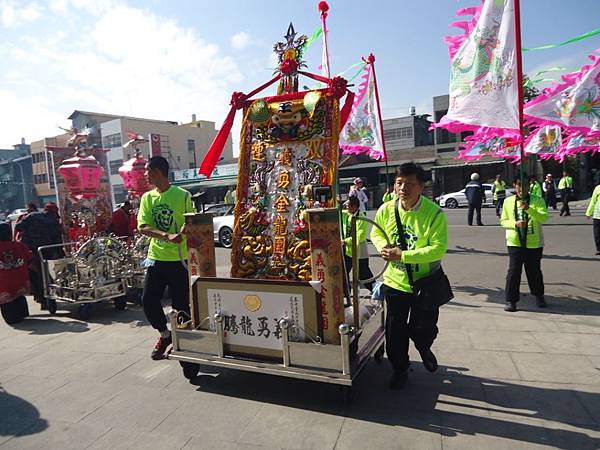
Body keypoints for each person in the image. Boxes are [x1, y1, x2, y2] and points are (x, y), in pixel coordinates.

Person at [371, 163, 448, 389]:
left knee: (423, 328)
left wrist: (402, 255)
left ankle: (423, 346)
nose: (403, 187)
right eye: (399, 183)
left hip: (426, 283)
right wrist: (382, 247)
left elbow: (437, 249)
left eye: (410, 183)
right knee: (395, 332)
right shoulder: (386, 209)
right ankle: (400, 369)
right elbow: (375, 232)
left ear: (421, 186)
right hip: (395, 283)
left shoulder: (434, 213)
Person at [138, 156, 195, 360]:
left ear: (158, 172)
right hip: (156, 258)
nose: (145, 174)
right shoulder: (147, 198)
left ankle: (185, 343)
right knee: (147, 299)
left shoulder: (183, 195)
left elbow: (193, 220)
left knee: (181, 305)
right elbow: (143, 226)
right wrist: (166, 235)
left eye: (148, 171)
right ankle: (165, 334)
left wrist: (184, 229)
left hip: (180, 260)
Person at [501, 176, 549, 312]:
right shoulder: (508, 201)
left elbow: (544, 218)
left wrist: (529, 209)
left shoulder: (537, 200)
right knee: (514, 272)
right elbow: (503, 221)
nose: (522, 188)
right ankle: (511, 300)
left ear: (530, 186)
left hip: (534, 244)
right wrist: (515, 224)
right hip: (515, 242)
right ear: (515, 185)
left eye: (525, 185)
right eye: (519, 185)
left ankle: (539, 295)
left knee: (534, 271)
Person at [14, 202, 64, 307]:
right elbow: (57, 238)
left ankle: (41, 298)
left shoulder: (32, 216)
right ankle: (49, 298)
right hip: (46, 251)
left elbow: (18, 227)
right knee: (47, 275)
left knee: (35, 275)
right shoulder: (53, 221)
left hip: (30, 251)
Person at [0, 222, 32, 324]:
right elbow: (29, 257)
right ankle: (22, 314)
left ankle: (12, 318)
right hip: (20, 277)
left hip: (3, 281)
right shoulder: (18, 245)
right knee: (19, 296)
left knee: (6, 301)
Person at [341, 196, 374, 292]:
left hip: (359, 252)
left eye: (348, 205)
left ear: (354, 206)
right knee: (344, 273)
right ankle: (346, 293)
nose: (346, 207)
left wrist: (345, 241)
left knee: (364, 275)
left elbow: (360, 237)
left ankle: (377, 291)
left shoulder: (362, 218)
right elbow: (336, 210)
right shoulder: (346, 214)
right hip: (348, 251)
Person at [585, 182, 600, 255]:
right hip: (597, 214)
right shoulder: (597, 188)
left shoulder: (598, 188)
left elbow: (593, 201)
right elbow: (593, 201)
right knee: (597, 233)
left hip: (597, 214)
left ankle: (598, 249)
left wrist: (588, 213)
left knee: (597, 232)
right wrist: (589, 212)